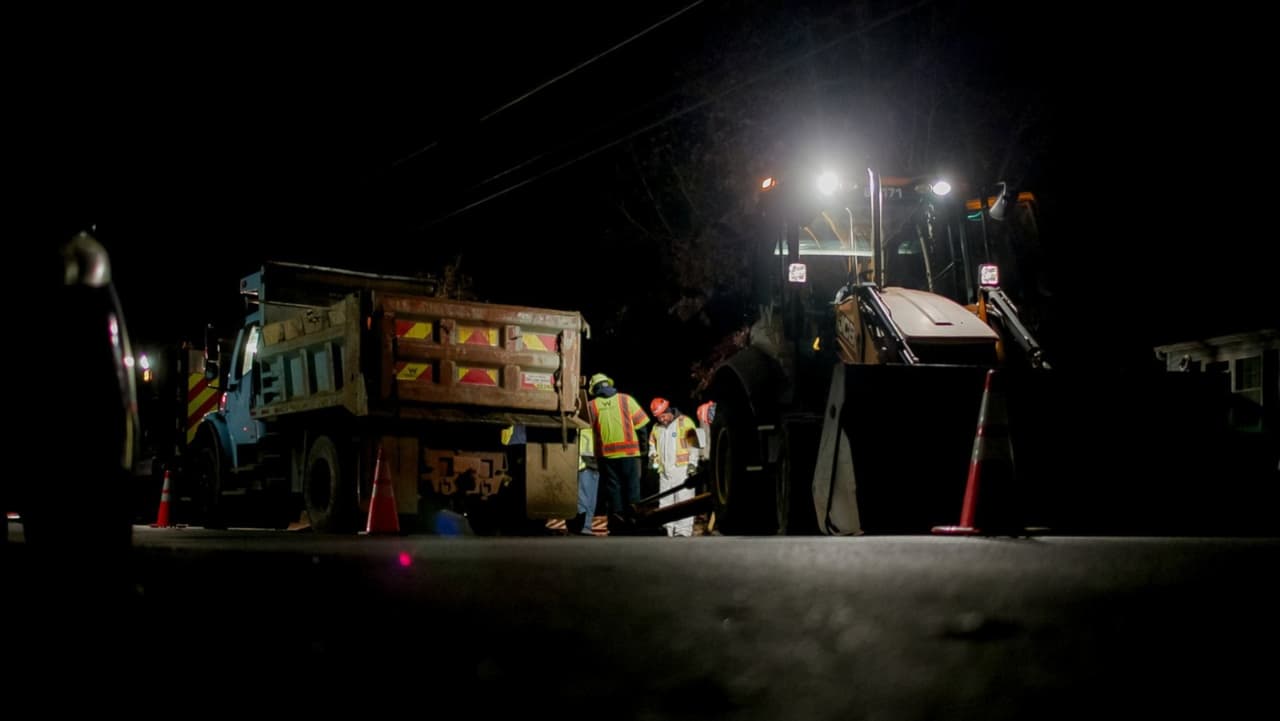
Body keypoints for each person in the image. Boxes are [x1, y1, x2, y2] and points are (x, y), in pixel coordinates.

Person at [586, 373, 650, 525]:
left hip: (606, 456)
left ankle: (618, 520)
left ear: (594, 388)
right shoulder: (626, 399)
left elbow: (586, 430)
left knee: (613, 489)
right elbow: (641, 426)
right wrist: (644, 450)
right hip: (629, 453)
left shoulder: (591, 406)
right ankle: (633, 520)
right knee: (632, 487)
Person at [648, 398, 700, 537]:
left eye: (663, 416)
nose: (662, 420)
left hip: (682, 470)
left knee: (684, 501)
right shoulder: (656, 428)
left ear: (668, 411)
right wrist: (653, 455)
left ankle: (683, 532)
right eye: (658, 418)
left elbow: (694, 445)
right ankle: (667, 529)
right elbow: (652, 444)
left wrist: (692, 465)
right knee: (665, 502)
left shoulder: (685, 422)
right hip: (664, 471)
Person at [567, 391, 599, 536]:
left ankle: (582, 526)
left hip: (585, 464)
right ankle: (584, 526)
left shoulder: (578, 423)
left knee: (584, 498)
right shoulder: (594, 423)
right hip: (591, 464)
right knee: (588, 498)